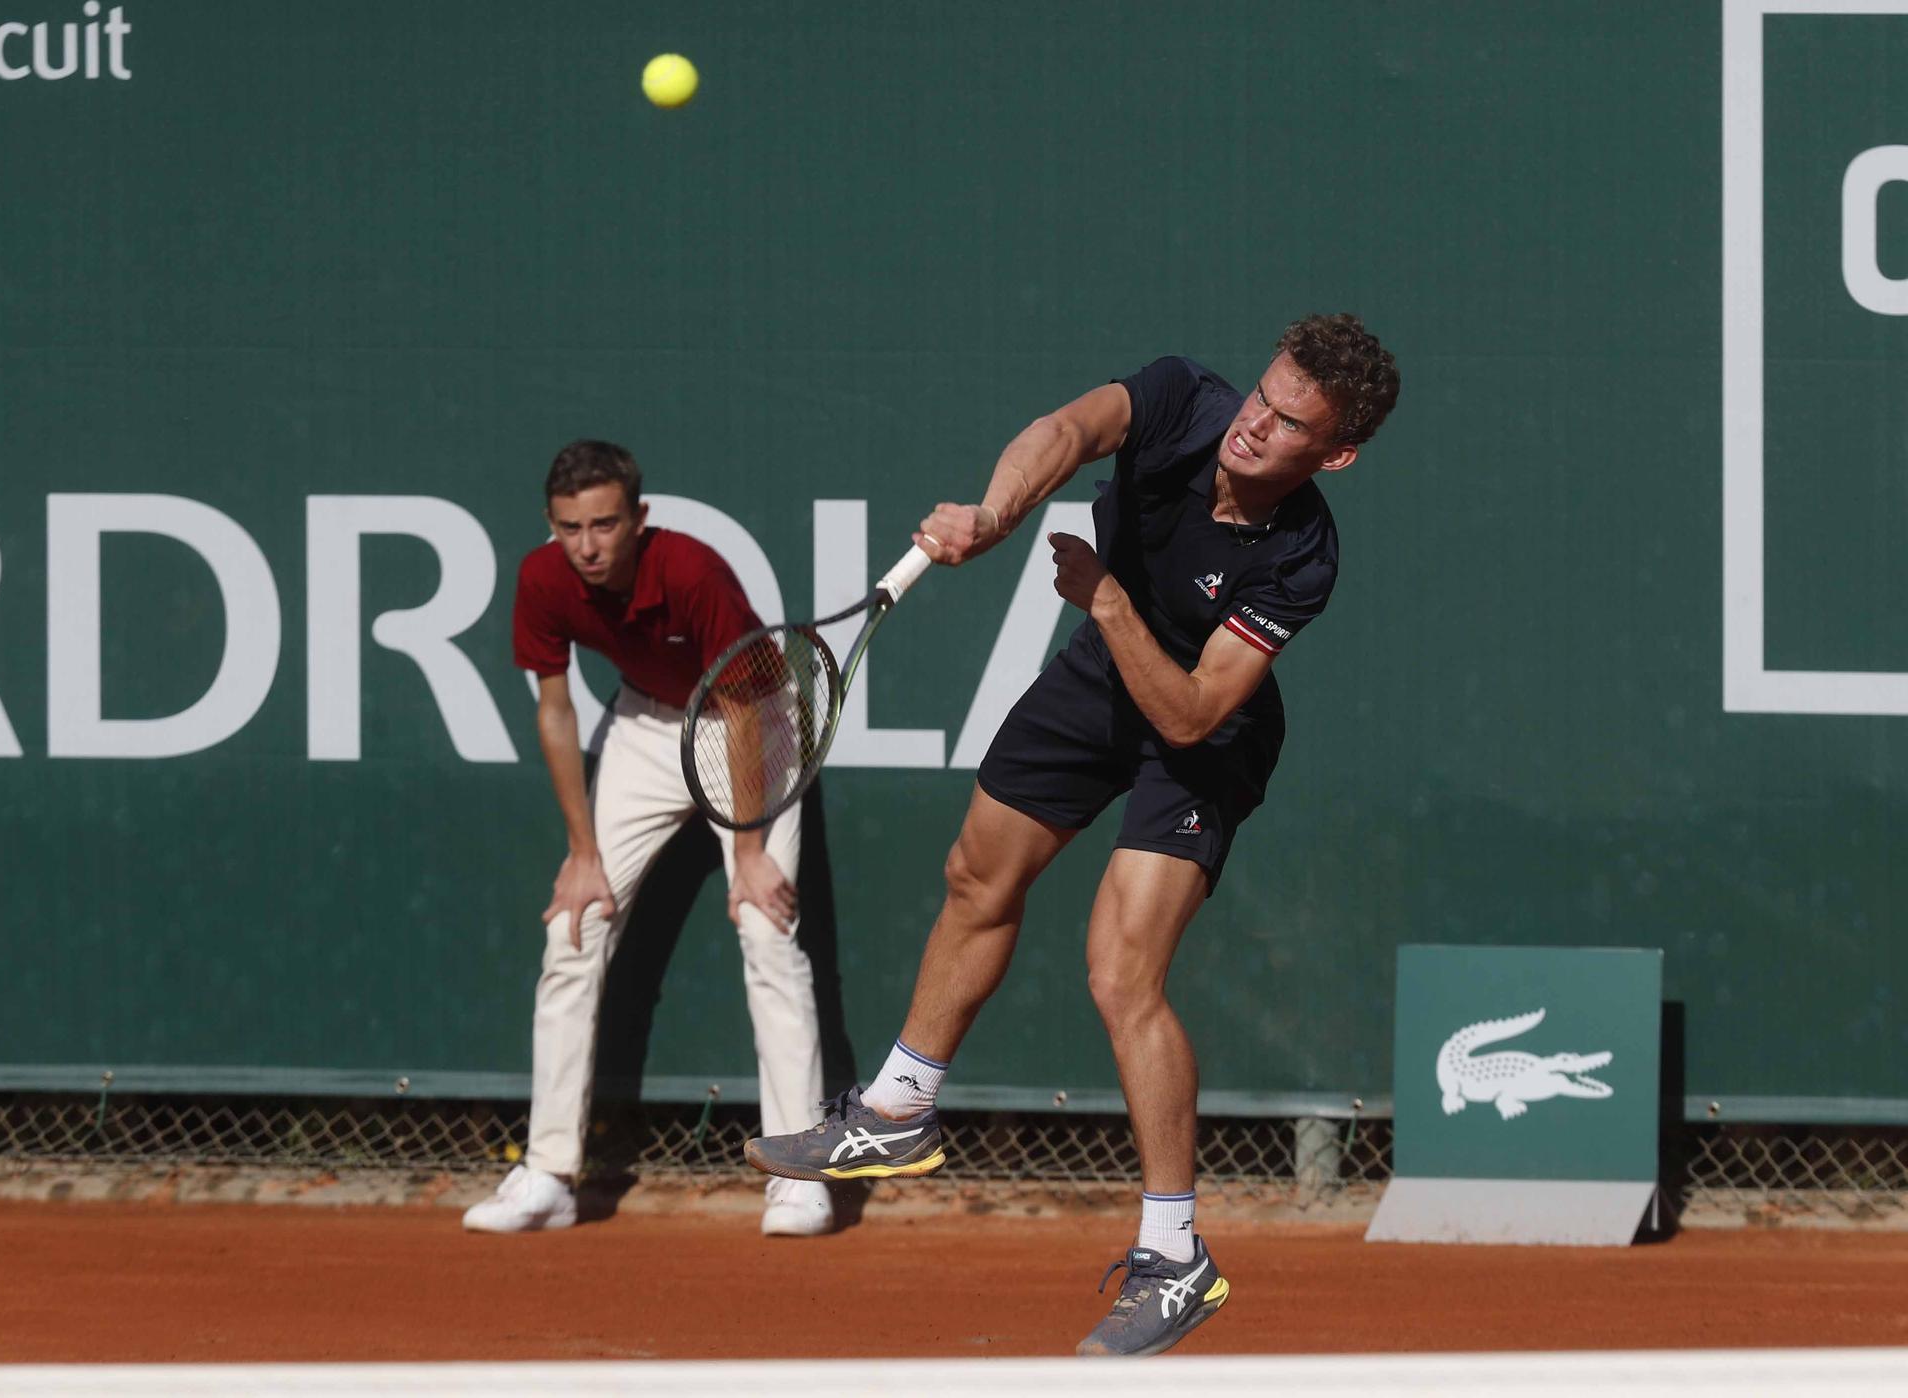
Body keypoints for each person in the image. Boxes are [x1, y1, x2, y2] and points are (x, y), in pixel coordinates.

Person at [745, 315, 1401, 1350]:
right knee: (977, 875)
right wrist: (997, 514)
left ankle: (1176, 1257)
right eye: (1261, 399)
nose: (1252, 426)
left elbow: (1190, 712)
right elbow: (1063, 430)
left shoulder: (1300, 556)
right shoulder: (1185, 396)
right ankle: (896, 1110)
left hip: (1199, 735)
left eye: (1287, 425)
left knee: (1119, 972)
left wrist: (1099, 599)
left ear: (1335, 453)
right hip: (1099, 684)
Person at [465, 440, 833, 1238]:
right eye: (570, 528)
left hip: (753, 725)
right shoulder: (543, 580)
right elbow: (556, 712)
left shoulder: (694, 573)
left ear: (638, 518)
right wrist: (582, 853)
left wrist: (746, 855)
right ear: (550, 525)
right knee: (577, 924)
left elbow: (740, 711)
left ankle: (800, 1175)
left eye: (604, 525)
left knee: (766, 929)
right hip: (642, 725)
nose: (588, 547)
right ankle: (551, 1175)